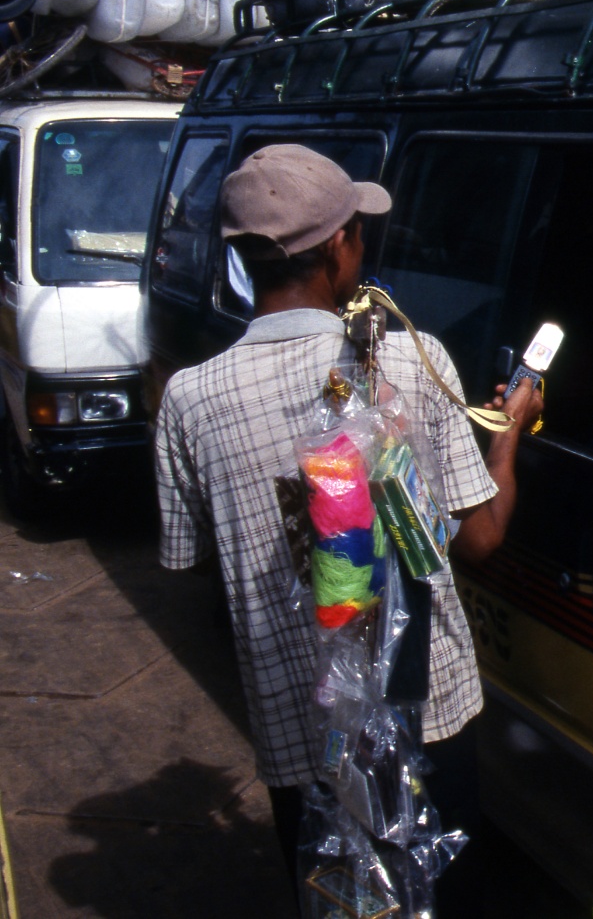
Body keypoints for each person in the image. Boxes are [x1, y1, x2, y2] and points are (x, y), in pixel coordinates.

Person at [153, 144, 542, 908]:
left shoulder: (189, 400)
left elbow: (189, 558)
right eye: (357, 232)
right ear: (338, 246)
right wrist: (510, 431)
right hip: (427, 710)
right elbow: (483, 537)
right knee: (439, 892)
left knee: (337, 900)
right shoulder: (413, 357)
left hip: (300, 731)